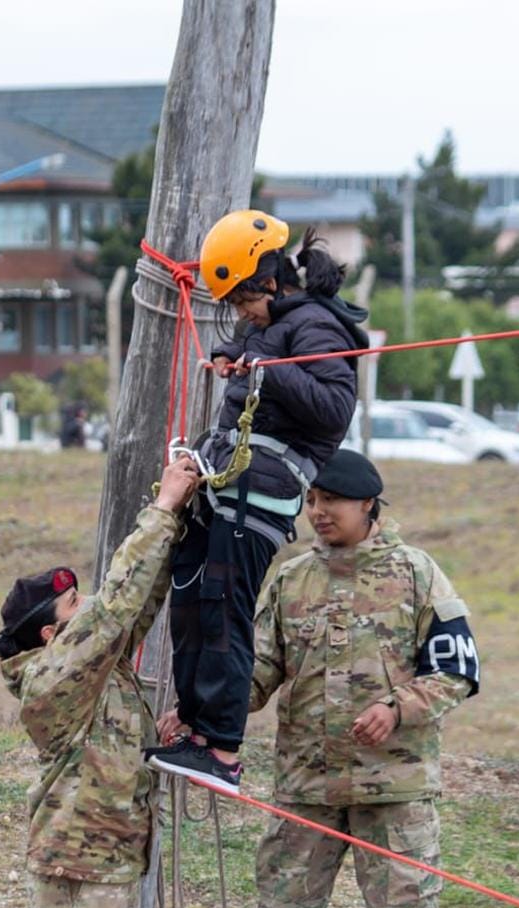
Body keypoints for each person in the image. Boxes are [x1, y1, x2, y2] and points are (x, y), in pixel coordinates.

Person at [159, 449, 479, 908]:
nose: (318, 511)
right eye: (311, 500)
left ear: (369, 505)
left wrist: (396, 708)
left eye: (332, 500)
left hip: (393, 793)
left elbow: (457, 670)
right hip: (306, 789)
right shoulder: (292, 580)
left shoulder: (416, 573)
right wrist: (199, 714)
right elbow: (254, 671)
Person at [146, 210, 369, 791]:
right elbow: (252, 347)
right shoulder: (267, 327)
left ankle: (222, 751)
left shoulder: (320, 326)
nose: (240, 312)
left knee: (224, 611)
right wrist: (231, 354)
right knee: (192, 603)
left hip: (260, 497)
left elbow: (333, 408)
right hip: (225, 487)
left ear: (269, 281)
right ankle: (196, 729)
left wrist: (266, 370)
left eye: (242, 299)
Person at [0, 456, 199, 908]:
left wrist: (181, 523)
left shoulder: (91, 667)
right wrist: (161, 510)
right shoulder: (52, 680)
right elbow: (112, 610)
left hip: (112, 861)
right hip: (80, 869)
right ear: (48, 633)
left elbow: (135, 607)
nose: (84, 606)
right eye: (71, 604)